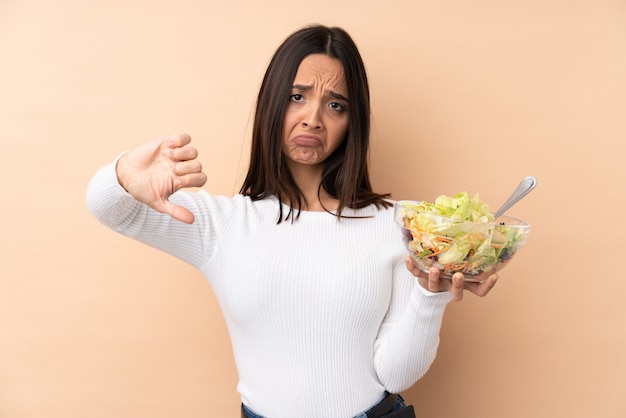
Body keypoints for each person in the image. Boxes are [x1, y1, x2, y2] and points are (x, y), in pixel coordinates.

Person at [86, 24, 497, 418]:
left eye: (335, 105)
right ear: (271, 104)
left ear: (353, 123)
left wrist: (431, 294)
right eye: (297, 97)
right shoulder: (223, 224)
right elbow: (108, 207)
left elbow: (395, 374)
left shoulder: (398, 223)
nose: (313, 118)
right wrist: (124, 173)